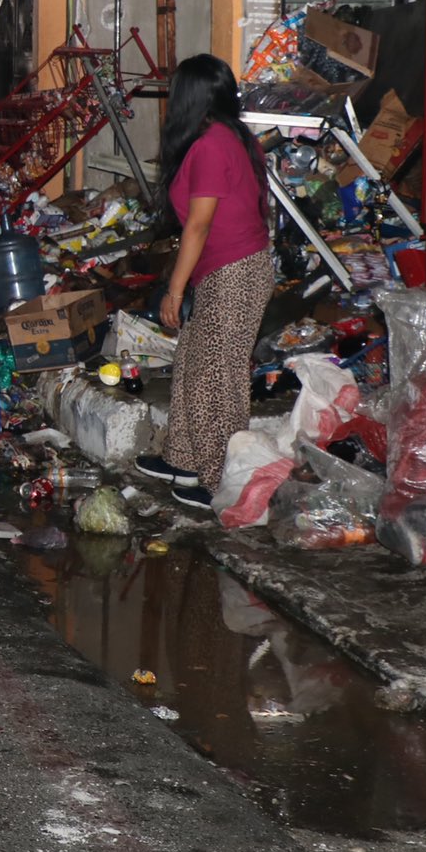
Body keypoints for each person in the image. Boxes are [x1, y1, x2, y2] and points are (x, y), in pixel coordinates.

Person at [136, 54, 275, 510]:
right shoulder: (226, 136)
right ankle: (182, 458)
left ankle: (216, 478)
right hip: (225, 270)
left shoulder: (214, 143)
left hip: (234, 271)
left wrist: (174, 290)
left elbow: (197, 226)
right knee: (193, 363)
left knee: (218, 376)